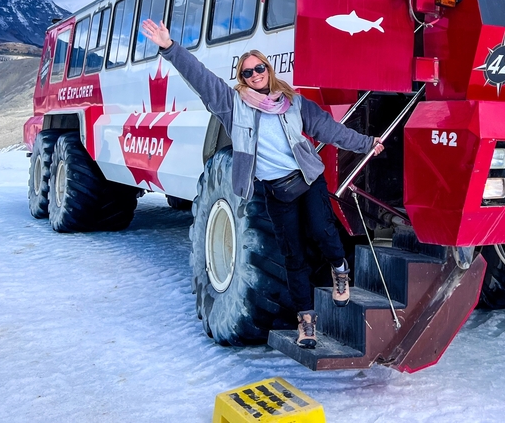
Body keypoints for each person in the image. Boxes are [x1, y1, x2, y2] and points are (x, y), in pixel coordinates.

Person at [140, 19, 384, 350]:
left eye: (259, 68)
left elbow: (329, 130)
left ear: (268, 70)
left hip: (308, 180)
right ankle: (306, 322)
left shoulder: (294, 103)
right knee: (293, 256)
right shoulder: (232, 106)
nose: (255, 75)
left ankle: (340, 269)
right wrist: (170, 48)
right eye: (247, 72)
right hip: (276, 191)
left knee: (323, 233)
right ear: (241, 79)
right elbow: (201, 78)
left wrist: (366, 143)